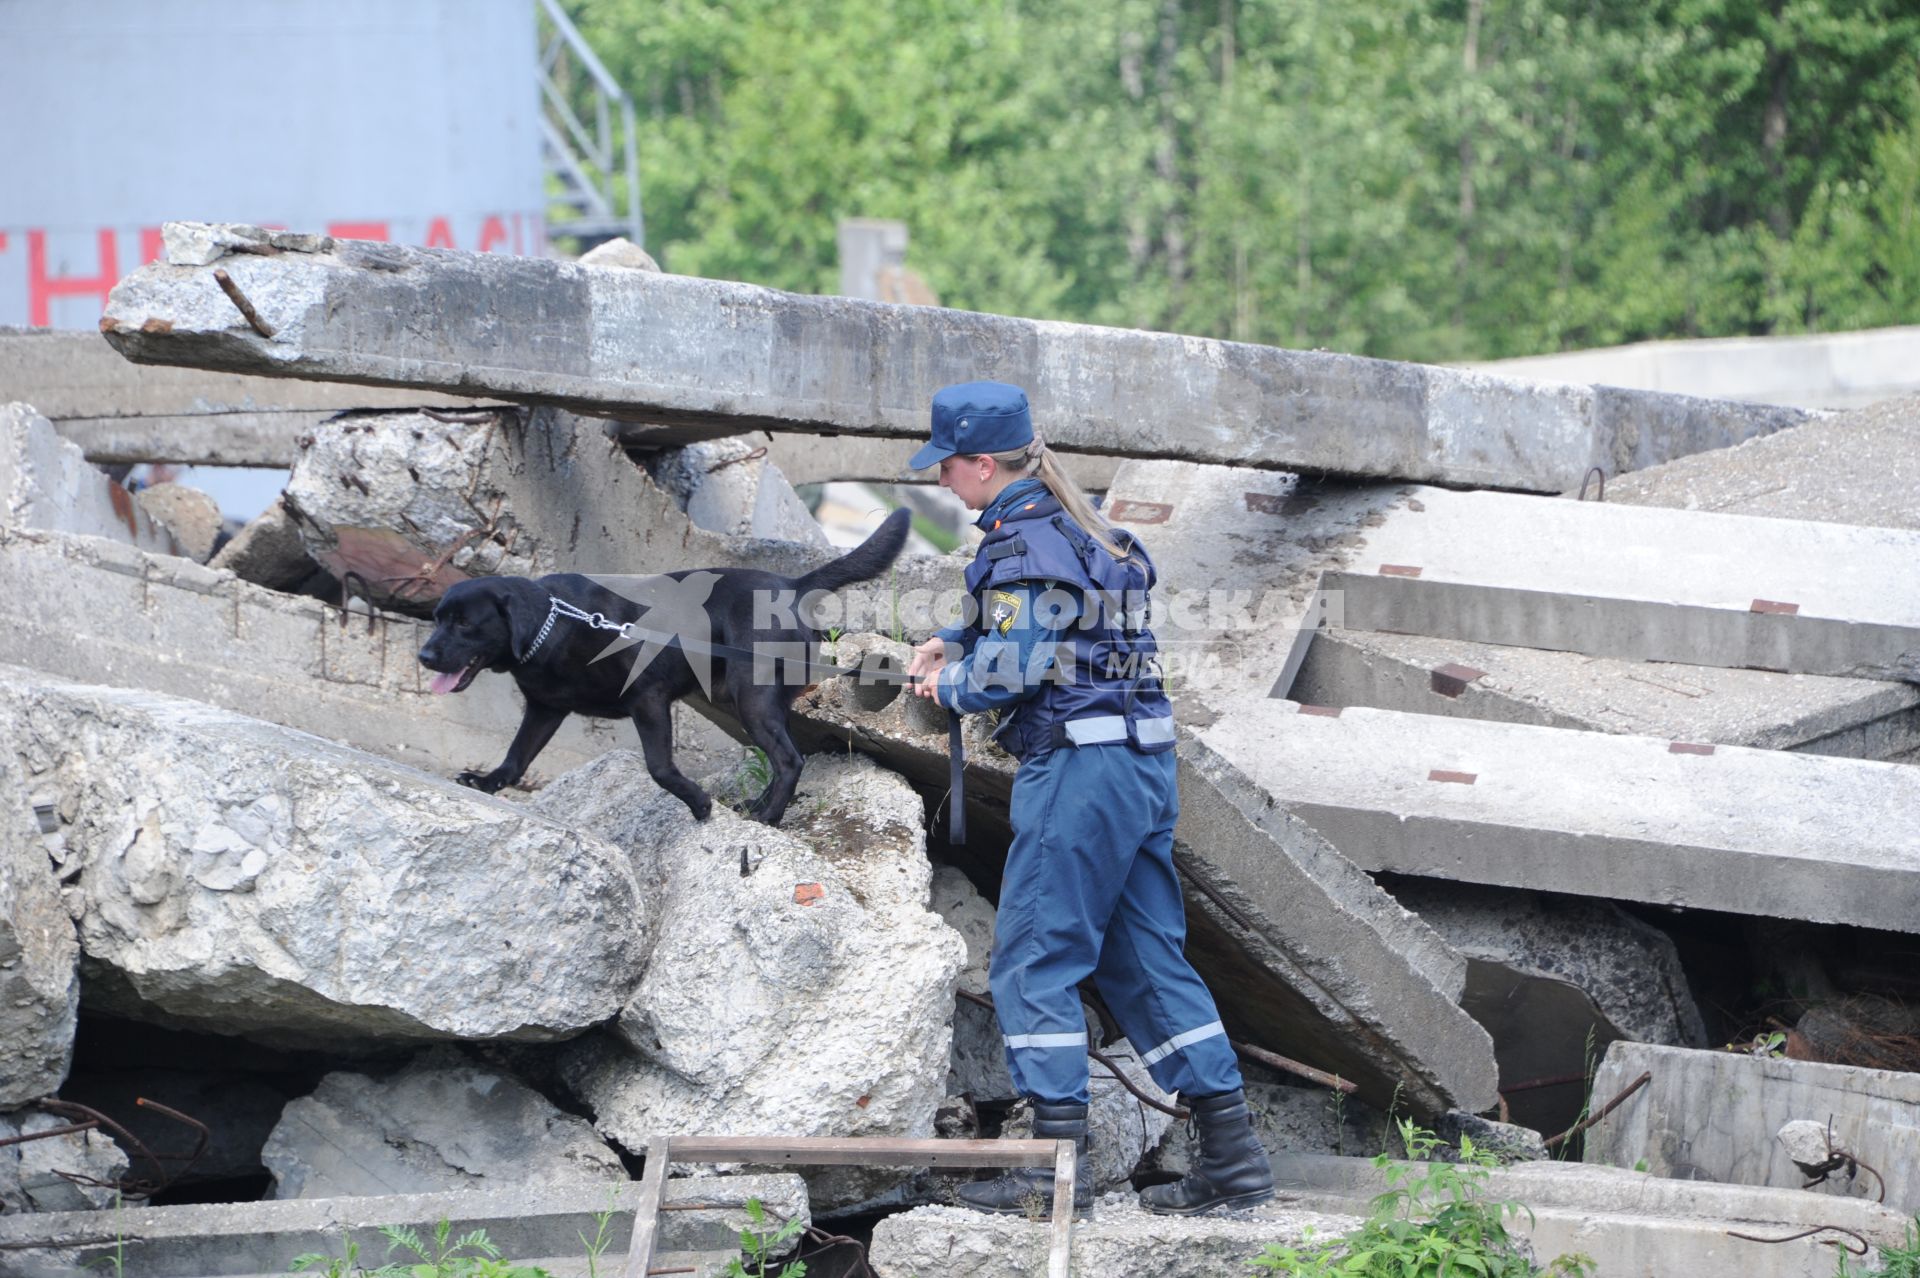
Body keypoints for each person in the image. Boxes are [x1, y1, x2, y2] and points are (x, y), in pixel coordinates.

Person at [905, 380, 1274, 1217]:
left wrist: (951, 685)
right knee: (1143, 962)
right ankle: (1234, 1157)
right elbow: (1069, 621)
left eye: (947, 467)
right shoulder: (1086, 528)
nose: (940, 482)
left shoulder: (1023, 543)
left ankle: (1049, 1176)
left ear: (983, 463)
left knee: (1034, 957)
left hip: (1078, 775)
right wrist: (959, 635)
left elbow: (1014, 666)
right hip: (1141, 767)